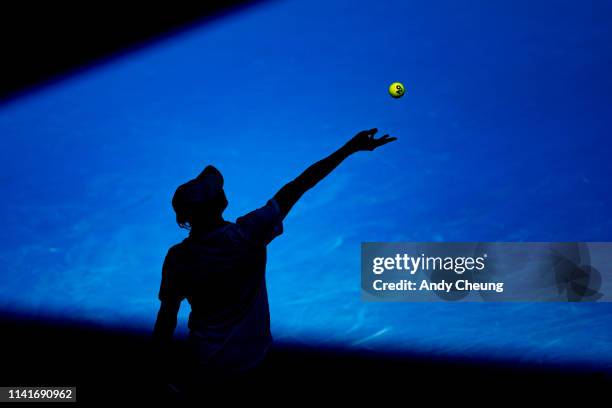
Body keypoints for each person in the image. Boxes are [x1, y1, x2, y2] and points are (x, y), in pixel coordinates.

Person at [152, 128, 396, 387]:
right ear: (217, 203)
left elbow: (166, 318)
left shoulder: (178, 258)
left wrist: (157, 374)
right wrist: (350, 148)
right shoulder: (249, 233)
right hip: (255, 366)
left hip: (205, 368)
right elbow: (300, 184)